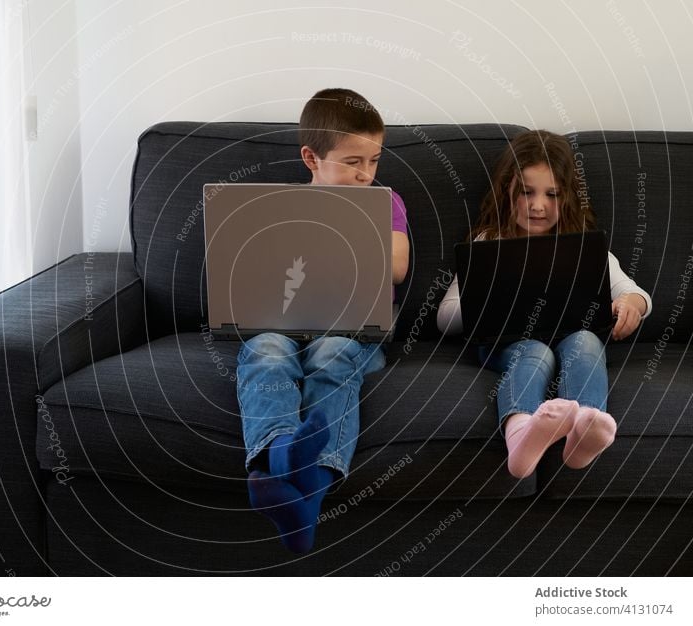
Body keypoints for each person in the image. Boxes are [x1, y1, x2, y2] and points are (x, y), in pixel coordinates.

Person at [238, 88, 409, 553]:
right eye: (353, 162)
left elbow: (397, 267)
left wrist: (349, 226)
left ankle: (297, 485)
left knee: (333, 353)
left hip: (354, 329)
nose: (366, 174)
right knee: (264, 352)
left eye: (374, 160)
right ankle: (280, 456)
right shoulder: (278, 209)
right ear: (311, 159)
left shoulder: (385, 203)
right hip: (283, 323)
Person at [437, 130, 652, 478]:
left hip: (570, 336)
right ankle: (521, 433)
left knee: (586, 341)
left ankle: (584, 427)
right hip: (507, 343)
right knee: (536, 352)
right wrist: (486, 293)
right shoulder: (490, 241)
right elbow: (445, 318)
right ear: (507, 192)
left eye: (551, 195)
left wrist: (633, 303)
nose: (538, 206)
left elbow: (635, 292)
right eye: (526, 192)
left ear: (567, 198)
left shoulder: (580, 244)